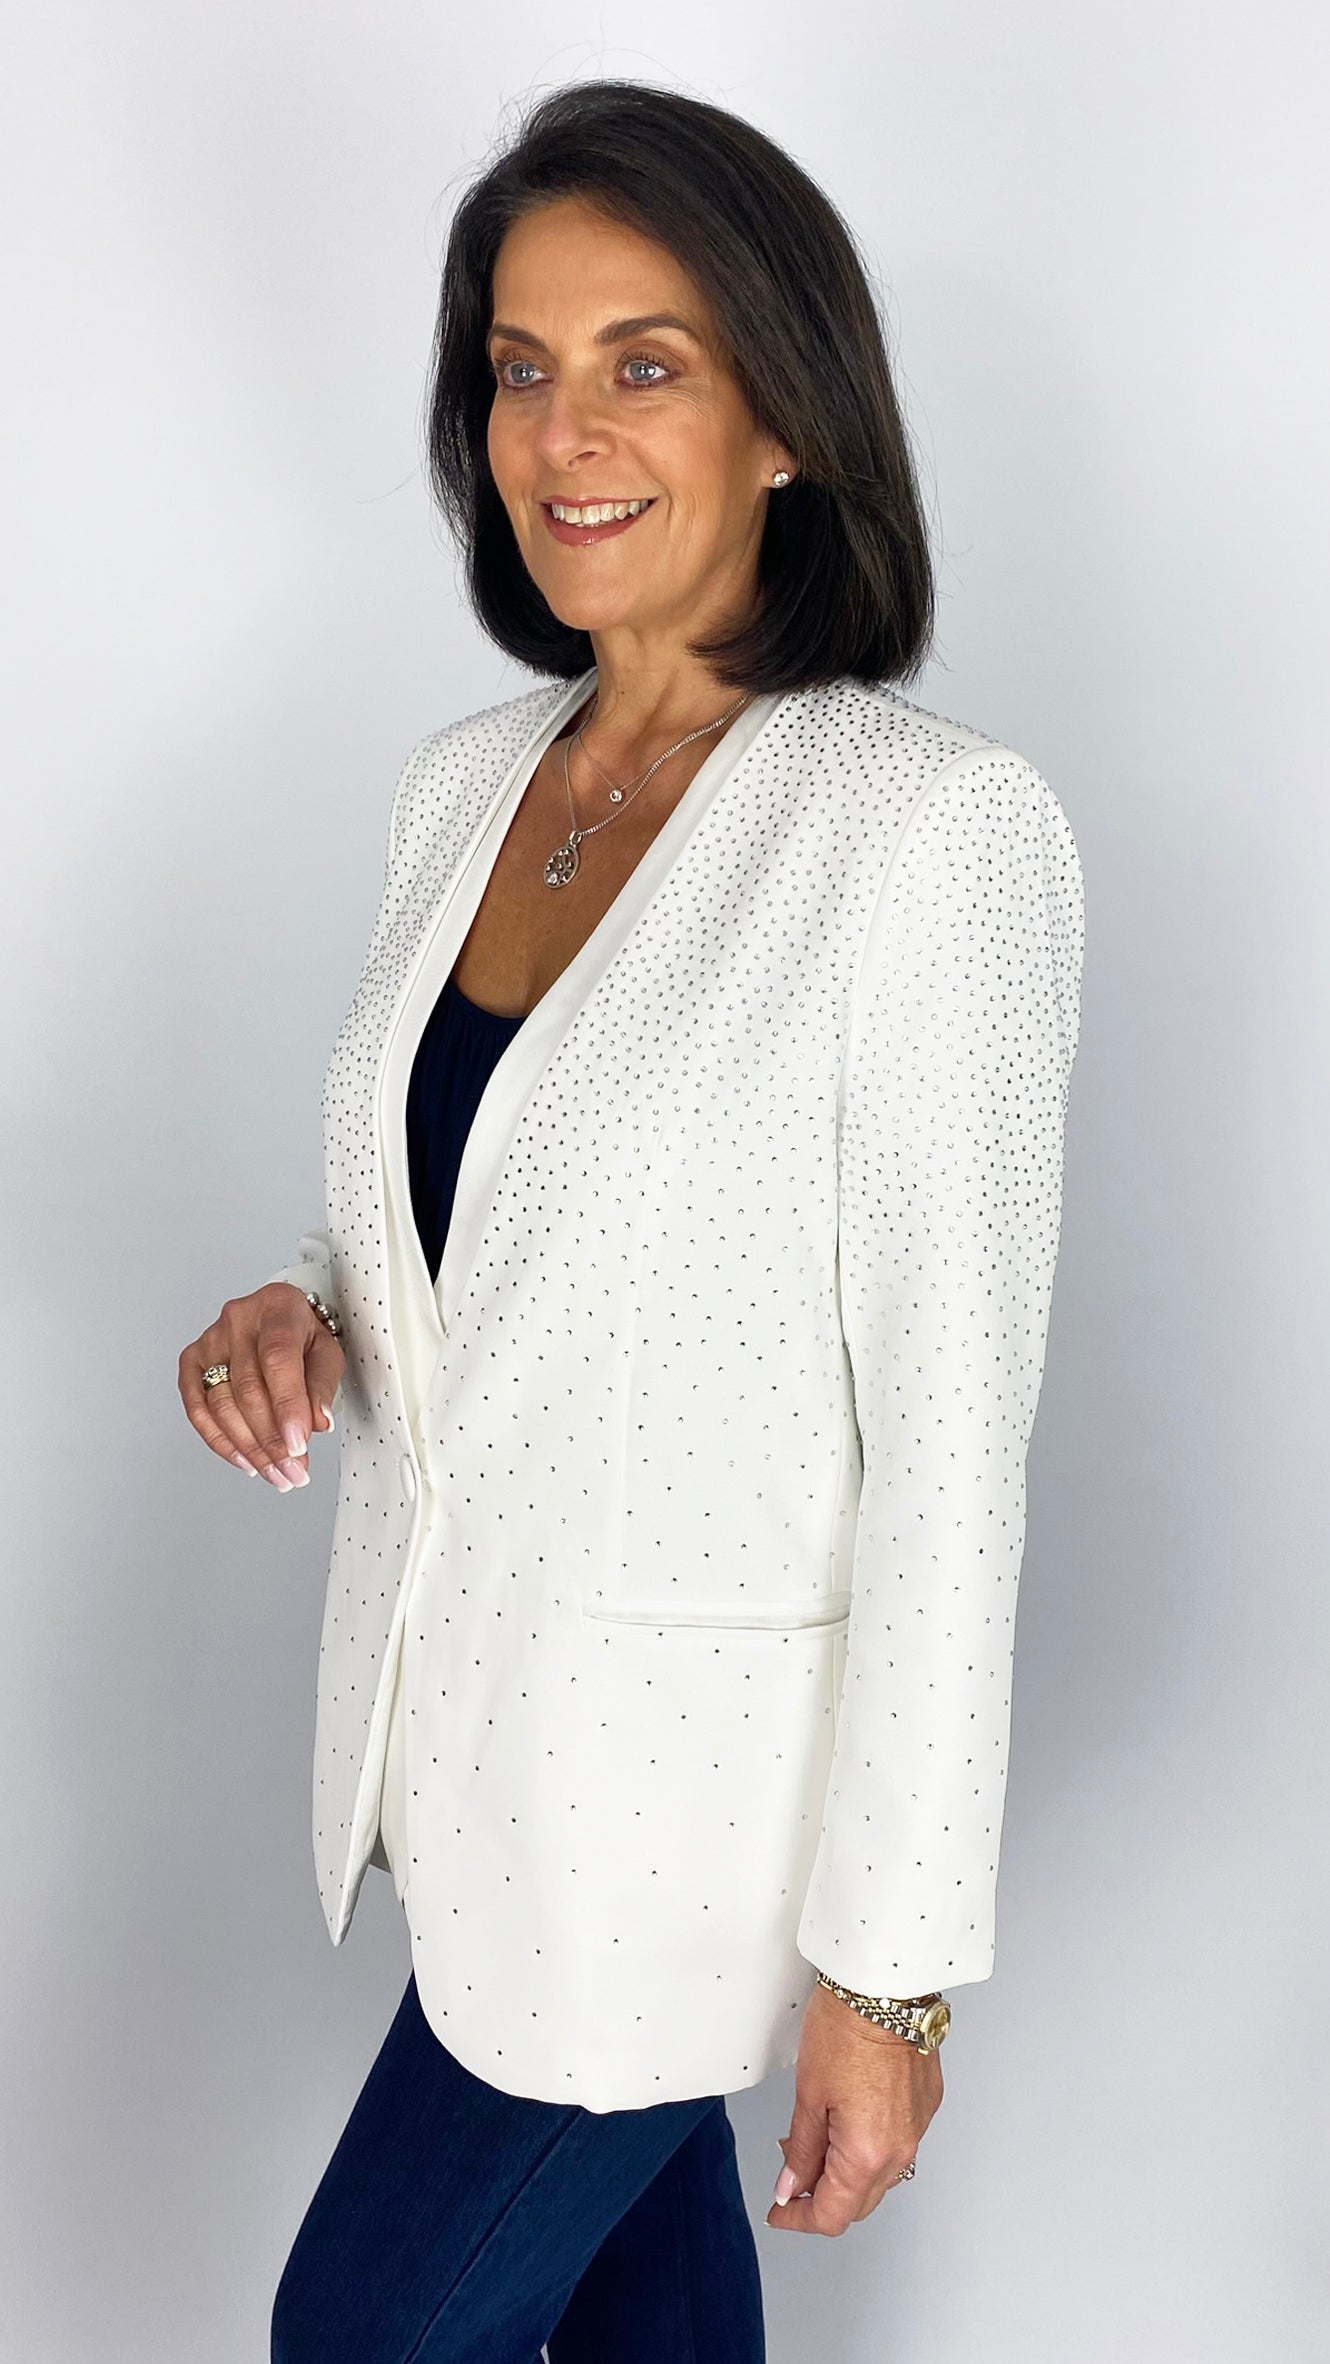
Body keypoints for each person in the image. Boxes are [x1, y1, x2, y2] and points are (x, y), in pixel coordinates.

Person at [178, 77, 1085, 2364]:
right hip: (462, 1770)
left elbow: (951, 1445)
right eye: (518, 365)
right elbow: (489, 1227)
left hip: (680, 1845)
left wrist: (892, 1968)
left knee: (355, 2336)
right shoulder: (462, 789)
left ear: (785, 416)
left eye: (641, 361)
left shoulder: (925, 837)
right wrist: (304, 1315)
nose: (559, 432)